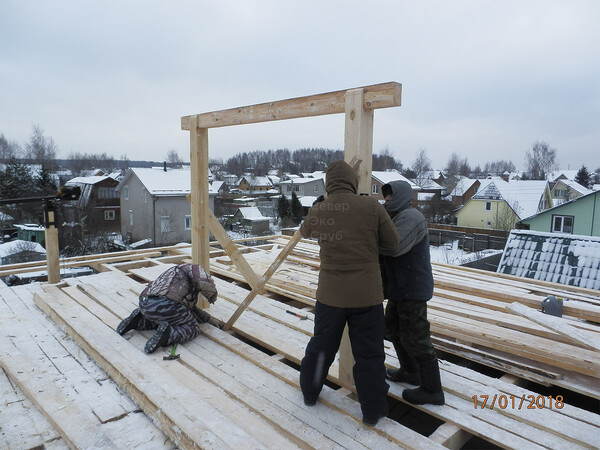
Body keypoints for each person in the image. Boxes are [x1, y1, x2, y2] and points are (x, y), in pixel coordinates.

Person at [299, 160, 400, 427]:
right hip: (367, 296)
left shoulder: (320, 210)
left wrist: (322, 205)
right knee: (369, 354)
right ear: (353, 182)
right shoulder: (371, 207)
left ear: (329, 184)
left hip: (330, 297)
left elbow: (304, 230)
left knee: (321, 347)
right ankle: (373, 411)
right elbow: (393, 243)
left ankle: (310, 393)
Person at [379, 180, 445, 405]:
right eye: (385, 197)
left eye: (390, 196)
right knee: (394, 330)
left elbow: (394, 246)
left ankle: (433, 389)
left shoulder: (411, 217)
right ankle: (409, 371)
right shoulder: (394, 217)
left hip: (413, 288)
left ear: (401, 196)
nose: (386, 200)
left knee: (417, 337)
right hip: (400, 288)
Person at [116, 263, 218, 354]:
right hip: (167, 304)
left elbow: (191, 311)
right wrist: (212, 297)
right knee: (192, 327)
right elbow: (206, 283)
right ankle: (169, 335)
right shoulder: (194, 270)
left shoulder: (173, 275)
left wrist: (208, 319)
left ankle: (140, 322)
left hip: (145, 303)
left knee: (164, 319)